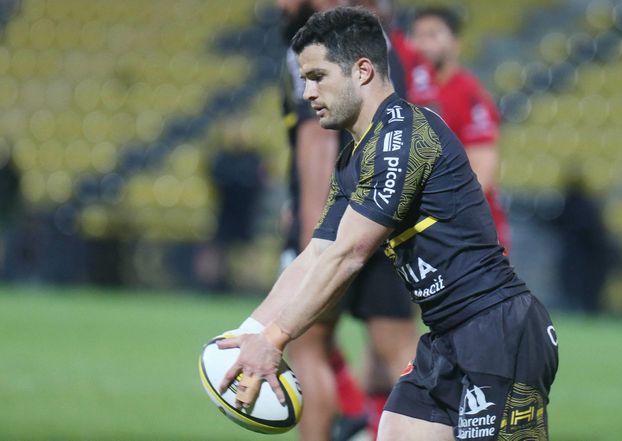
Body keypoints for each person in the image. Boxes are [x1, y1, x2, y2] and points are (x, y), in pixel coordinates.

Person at [218, 7, 558, 440]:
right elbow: (318, 252)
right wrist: (250, 332)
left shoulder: (403, 136)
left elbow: (349, 254)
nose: (307, 92)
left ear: (361, 71)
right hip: (446, 337)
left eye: (318, 76)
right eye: (304, 79)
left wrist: (276, 337)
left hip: (498, 334)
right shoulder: (354, 156)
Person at [277, 1, 417, 439]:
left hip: (337, 217)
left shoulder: (315, 49)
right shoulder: (384, 48)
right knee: (402, 355)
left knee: (308, 351)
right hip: (385, 213)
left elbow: (316, 143)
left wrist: (312, 238)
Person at [401, 6, 510, 250]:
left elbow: (483, 165)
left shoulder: (468, 94)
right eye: (417, 35)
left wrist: (444, 215)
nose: (422, 43)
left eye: (433, 34)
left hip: (468, 230)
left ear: (456, 43)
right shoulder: (407, 92)